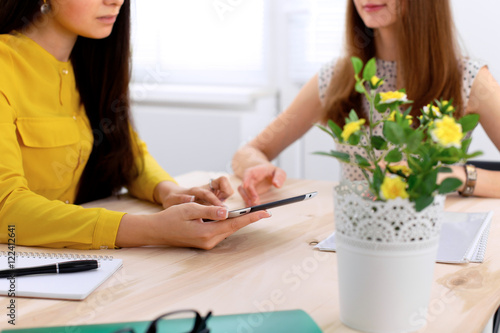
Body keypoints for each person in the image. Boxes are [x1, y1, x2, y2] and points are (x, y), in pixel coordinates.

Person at [0, 0, 270, 250]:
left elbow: (127, 153)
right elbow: (6, 208)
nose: (115, 0)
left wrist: (172, 193)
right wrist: (152, 229)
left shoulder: (93, 62)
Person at [232, 0, 500, 206]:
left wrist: (453, 176)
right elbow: (249, 151)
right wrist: (257, 165)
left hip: (433, 244)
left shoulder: (469, 79)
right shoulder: (336, 78)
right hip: (355, 241)